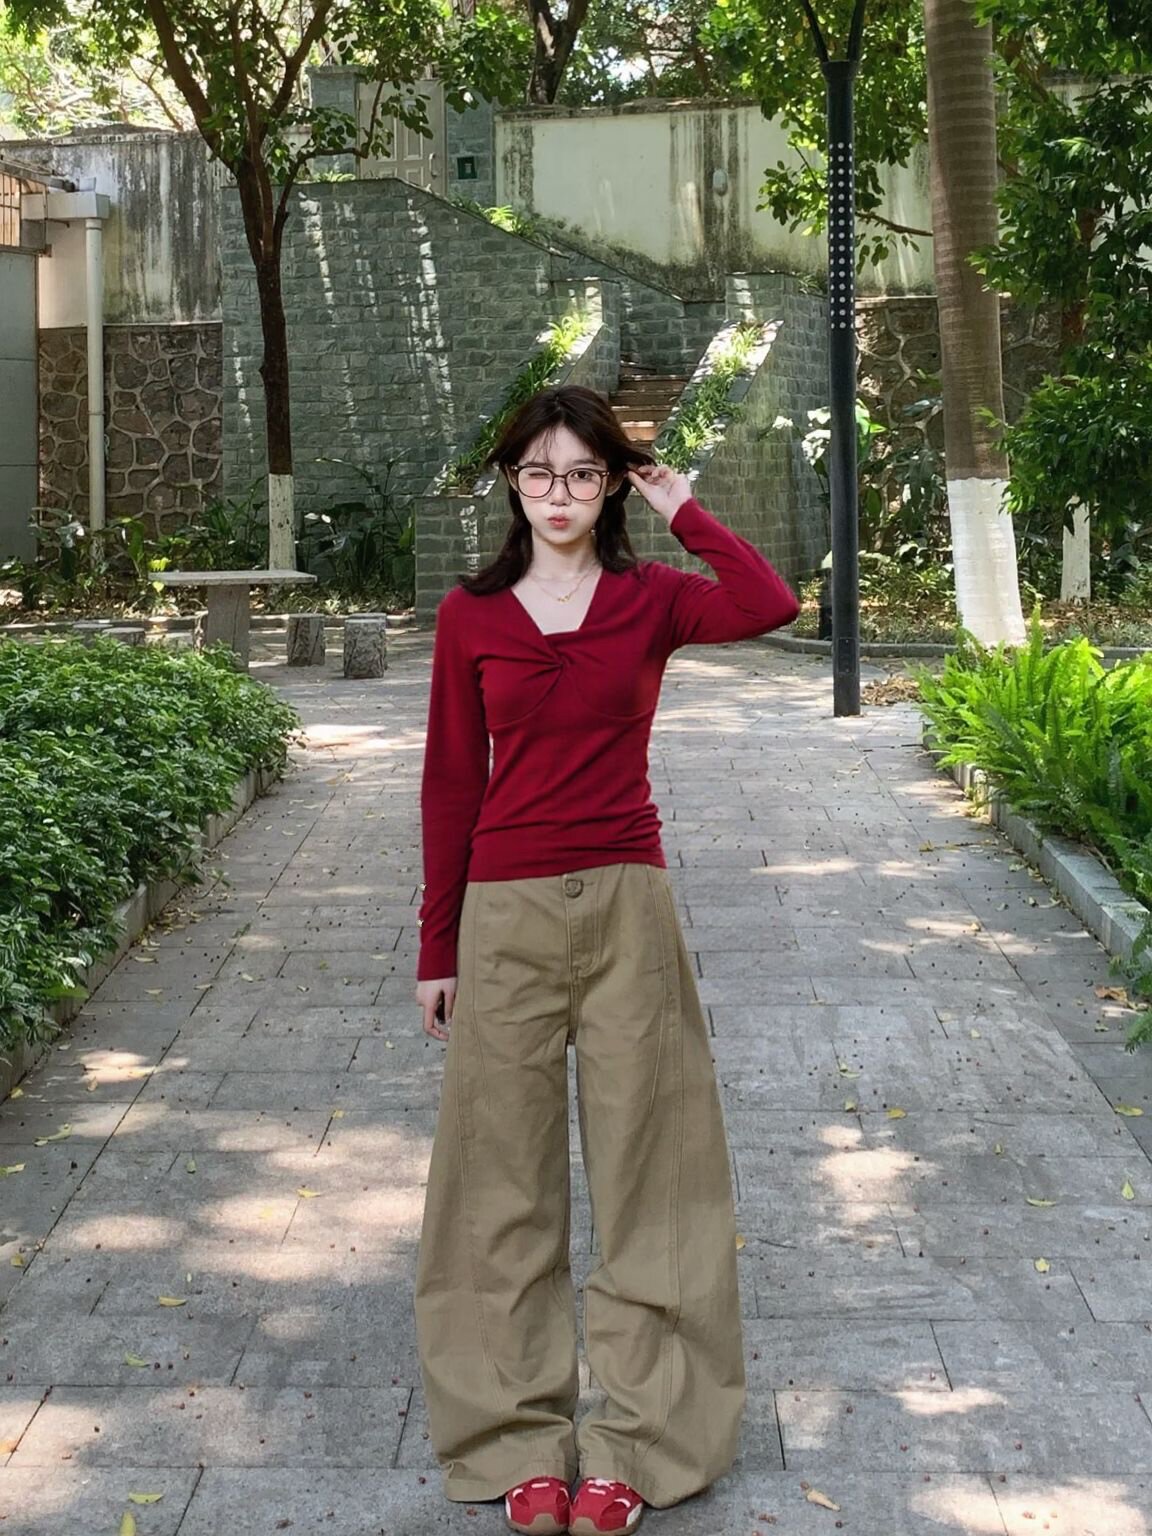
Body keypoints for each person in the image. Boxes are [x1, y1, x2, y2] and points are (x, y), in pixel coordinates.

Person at [413, 384, 799, 1536]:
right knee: (498, 1183)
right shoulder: (470, 615)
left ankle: (638, 1441)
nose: (560, 494)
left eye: (583, 472)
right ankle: (516, 1439)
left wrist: (686, 509)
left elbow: (770, 603)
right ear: (512, 483)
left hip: (631, 903)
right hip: (505, 914)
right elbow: (451, 783)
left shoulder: (651, 600)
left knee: (654, 1174)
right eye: (539, 472)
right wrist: (438, 945)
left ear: (610, 484)